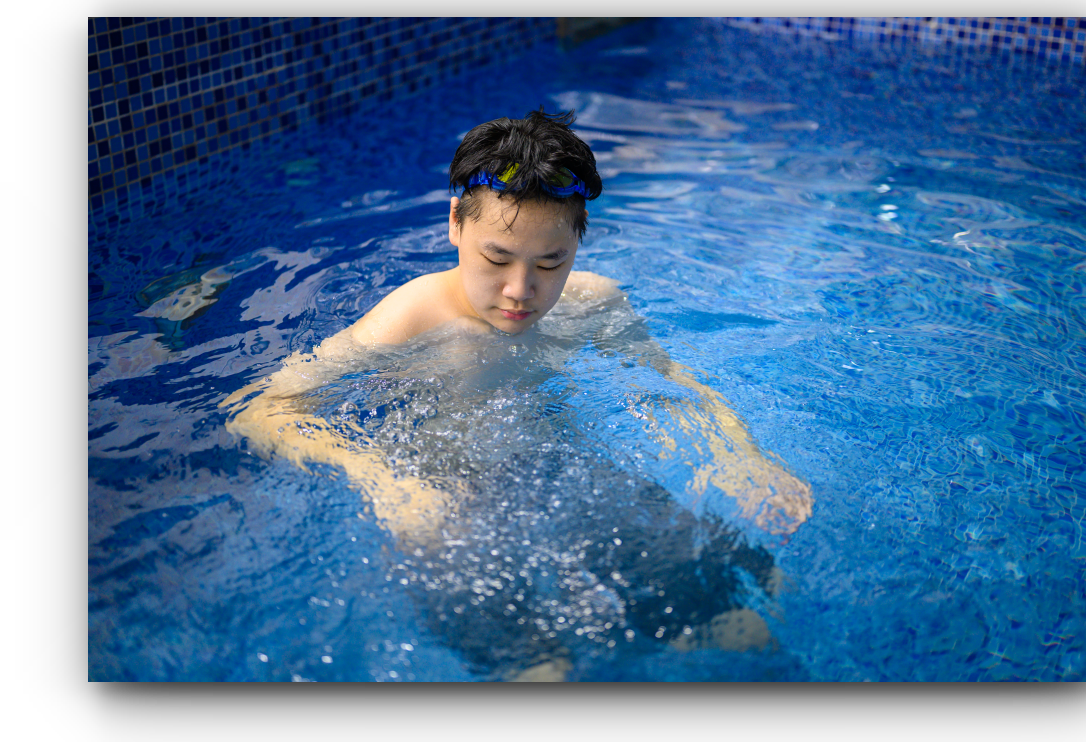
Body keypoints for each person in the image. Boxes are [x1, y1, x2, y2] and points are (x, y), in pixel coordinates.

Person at [222, 108, 812, 547]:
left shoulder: (594, 302)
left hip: (567, 474)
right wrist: (385, 483)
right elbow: (262, 409)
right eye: (497, 259)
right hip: (447, 509)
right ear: (455, 224)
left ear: (579, 240)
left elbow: (667, 385)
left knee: (735, 624)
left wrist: (740, 459)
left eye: (551, 263)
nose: (520, 290)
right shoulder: (411, 317)